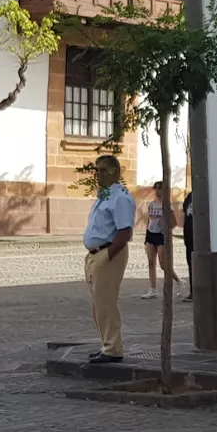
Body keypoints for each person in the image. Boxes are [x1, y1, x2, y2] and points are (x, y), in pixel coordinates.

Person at [81, 154, 133, 365]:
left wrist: (108, 256)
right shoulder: (104, 195)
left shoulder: (120, 197)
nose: (98, 174)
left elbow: (124, 231)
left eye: (102, 170)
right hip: (95, 254)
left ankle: (113, 348)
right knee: (99, 303)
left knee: (106, 303)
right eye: (97, 170)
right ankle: (106, 345)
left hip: (108, 253)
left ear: (114, 171)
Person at [141, 180, 174, 299]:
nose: (158, 191)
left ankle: (177, 281)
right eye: (156, 188)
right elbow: (149, 221)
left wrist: (167, 231)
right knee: (151, 262)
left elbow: (172, 222)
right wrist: (146, 236)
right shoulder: (151, 204)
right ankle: (152, 289)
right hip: (151, 234)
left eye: (160, 188)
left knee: (163, 264)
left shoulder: (167, 205)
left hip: (161, 235)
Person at [180, 190, 195, 302]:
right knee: (191, 263)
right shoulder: (190, 196)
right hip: (189, 236)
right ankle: (193, 291)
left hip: (200, 236)